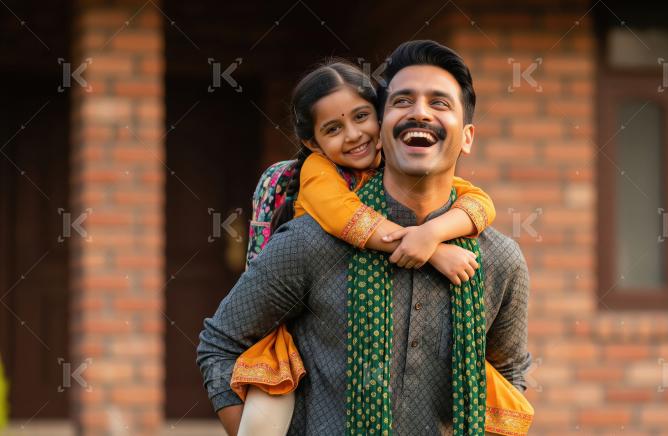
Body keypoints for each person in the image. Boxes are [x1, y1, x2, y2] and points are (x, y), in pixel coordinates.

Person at [197, 40, 532, 435]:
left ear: (468, 137)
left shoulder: (499, 259)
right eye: (403, 101)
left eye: (439, 103)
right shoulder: (312, 241)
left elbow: (510, 374)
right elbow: (220, 344)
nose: (420, 112)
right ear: (384, 128)